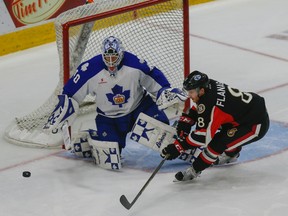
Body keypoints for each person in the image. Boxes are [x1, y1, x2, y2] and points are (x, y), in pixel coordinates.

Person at [44, 36, 185, 157]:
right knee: (110, 155)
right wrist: (61, 113)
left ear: (121, 53)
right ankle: (90, 140)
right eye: (107, 57)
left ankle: (186, 147)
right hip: (109, 118)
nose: (111, 61)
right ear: (102, 55)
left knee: (163, 132)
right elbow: (70, 93)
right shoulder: (89, 69)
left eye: (114, 56)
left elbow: (153, 75)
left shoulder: (134, 64)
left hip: (139, 108)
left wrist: (165, 90)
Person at [161, 70, 270, 181]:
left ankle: (194, 170)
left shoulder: (211, 105)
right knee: (225, 132)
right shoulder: (208, 86)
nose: (189, 95)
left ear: (201, 90)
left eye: (191, 92)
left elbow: (202, 137)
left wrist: (178, 146)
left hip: (255, 123)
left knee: (217, 144)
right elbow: (200, 107)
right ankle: (232, 154)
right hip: (244, 113)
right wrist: (186, 121)